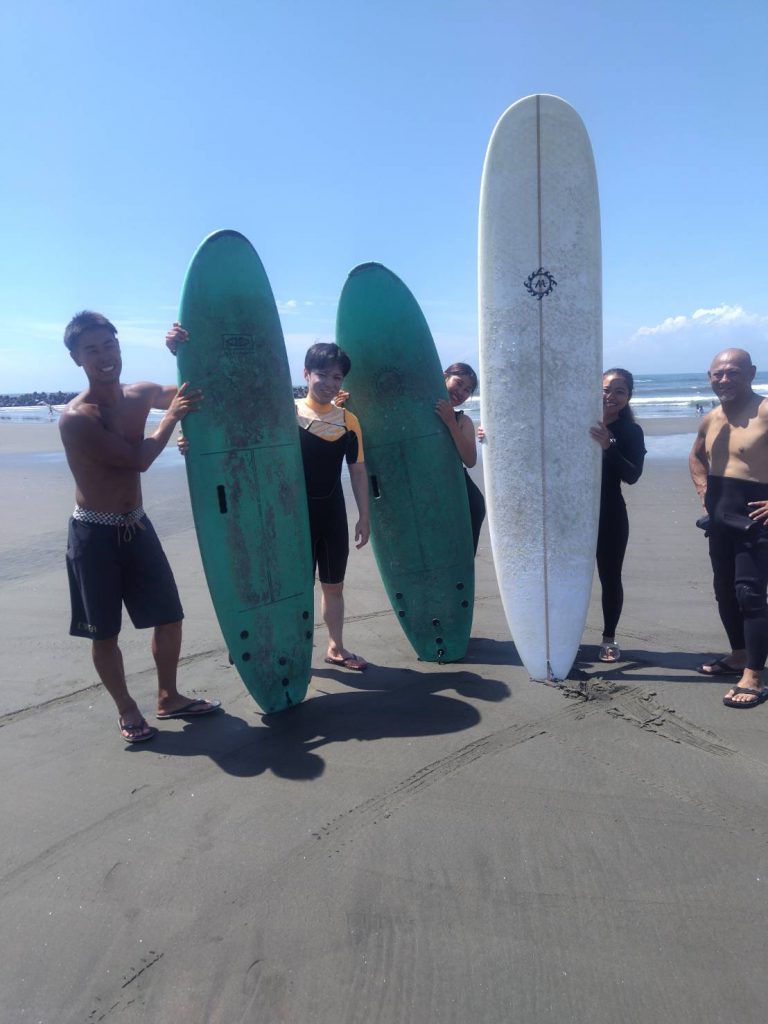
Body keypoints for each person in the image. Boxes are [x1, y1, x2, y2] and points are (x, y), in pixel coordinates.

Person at [169, 328, 371, 671]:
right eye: (322, 374)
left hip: (331, 514)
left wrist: (364, 516)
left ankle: (336, 647)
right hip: (288, 517)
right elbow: (232, 420)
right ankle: (282, 647)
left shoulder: (348, 422)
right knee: (288, 589)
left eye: (337, 377)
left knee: (333, 586)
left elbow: (358, 470)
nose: (330, 383)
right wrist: (193, 439)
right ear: (306, 374)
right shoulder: (282, 414)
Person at [60, 311, 220, 744]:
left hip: (136, 526)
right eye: (91, 349)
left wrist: (183, 350)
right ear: (76, 358)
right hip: (94, 536)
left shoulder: (139, 394)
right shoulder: (76, 417)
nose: (104, 356)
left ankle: (168, 697)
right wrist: (171, 419)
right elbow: (138, 459)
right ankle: (127, 708)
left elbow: (195, 391)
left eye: (109, 345)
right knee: (105, 631)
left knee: (169, 616)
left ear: (119, 346)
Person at [689, 348, 768, 708]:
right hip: (721, 514)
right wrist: (704, 489)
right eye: (718, 373)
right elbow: (695, 456)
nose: (724, 379)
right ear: (709, 377)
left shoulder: (765, 411)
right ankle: (737, 654)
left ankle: (753, 673)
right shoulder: (711, 419)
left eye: (733, 372)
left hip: (755, 514)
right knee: (724, 590)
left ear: (751, 373)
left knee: (749, 594)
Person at [589, 368, 646, 662]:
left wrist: (608, 445)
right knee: (565, 576)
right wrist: (488, 434)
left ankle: (609, 638)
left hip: (609, 513)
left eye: (619, 391)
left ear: (628, 397)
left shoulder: (630, 431)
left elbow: (633, 475)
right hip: (571, 514)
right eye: (606, 388)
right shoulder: (577, 420)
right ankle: (560, 632)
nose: (610, 396)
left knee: (610, 577)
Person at [434, 362, 486, 555]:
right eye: (459, 383)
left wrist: (450, 423)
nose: (462, 392)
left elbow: (470, 460)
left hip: (463, 496)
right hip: (432, 492)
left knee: (460, 558)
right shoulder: (418, 409)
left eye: (468, 390)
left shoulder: (462, 420)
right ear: (444, 376)